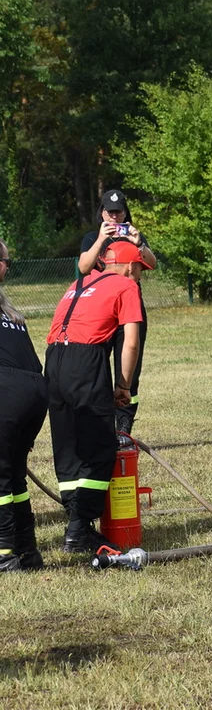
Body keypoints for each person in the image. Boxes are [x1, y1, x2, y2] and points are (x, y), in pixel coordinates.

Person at [45, 241, 148, 554]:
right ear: (131, 266)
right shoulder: (126, 286)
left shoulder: (79, 282)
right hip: (86, 361)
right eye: (142, 268)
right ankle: (79, 530)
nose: (141, 275)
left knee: (69, 446)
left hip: (53, 360)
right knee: (101, 448)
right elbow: (130, 343)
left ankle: (77, 520)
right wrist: (124, 386)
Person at [78, 189, 156, 435]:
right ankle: (100, 421)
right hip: (101, 310)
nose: (114, 217)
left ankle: (123, 425)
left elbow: (152, 264)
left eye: (118, 212)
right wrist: (101, 240)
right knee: (97, 364)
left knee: (129, 369)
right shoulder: (92, 237)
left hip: (130, 308)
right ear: (101, 212)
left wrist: (139, 243)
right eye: (109, 212)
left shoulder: (135, 236)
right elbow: (83, 267)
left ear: (125, 213)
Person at [0, 240, 49, 571]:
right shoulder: (13, 314)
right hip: (35, 392)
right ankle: (27, 552)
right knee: (14, 475)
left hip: (8, 390)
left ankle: (3, 554)